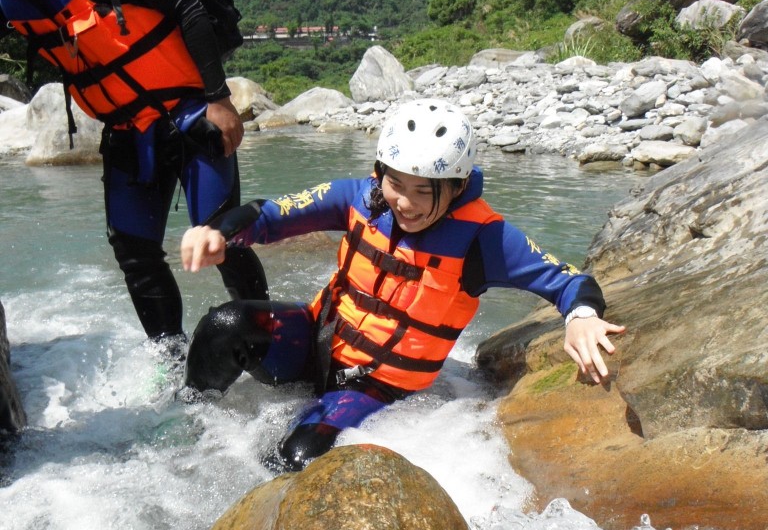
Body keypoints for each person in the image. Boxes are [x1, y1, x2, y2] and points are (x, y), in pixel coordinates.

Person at [179, 98, 625, 471]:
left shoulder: (484, 239)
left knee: (299, 457)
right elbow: (272, 213)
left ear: (458, 186)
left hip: (376, 384)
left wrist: (582, 317)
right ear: (381, 172)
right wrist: (219, 232)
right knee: (226, 324)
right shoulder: (361, 197)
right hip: (317, 340)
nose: (406, 203)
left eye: (424, 190)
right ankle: (186, 420)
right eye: (396, 183)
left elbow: (569, 281)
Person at [0, 0, 267, 350]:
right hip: (125, 129)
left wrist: (219, 99)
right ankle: (169, 357)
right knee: (134, 253)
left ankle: (265, 337)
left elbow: (187, 6)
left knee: (222, 237)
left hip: (190, 114)